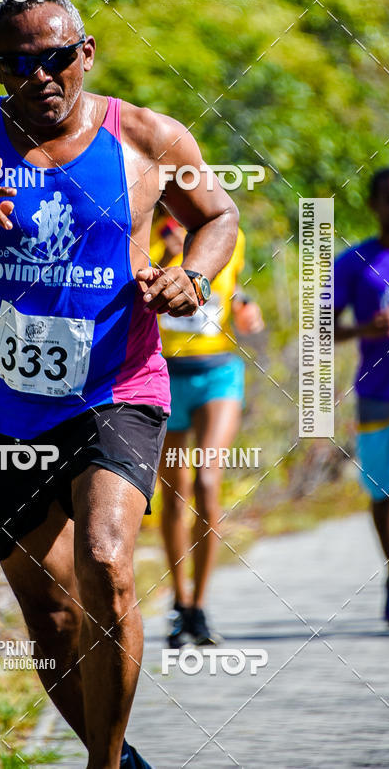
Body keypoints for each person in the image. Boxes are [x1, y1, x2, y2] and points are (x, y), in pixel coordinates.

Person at [0, 0, 239, 769]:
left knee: (106, 559)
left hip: (117, 387)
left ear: (86, 53)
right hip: (5, 411)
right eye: (23, 62)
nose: (43, 74)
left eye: (58, 56)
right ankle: (119, 754)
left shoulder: (147, 137)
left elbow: (218, 216)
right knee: (55, 616)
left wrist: (192, 278)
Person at [151, 215, 263, 647]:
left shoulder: (231, 233)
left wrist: (245, 308)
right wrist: (165, 254)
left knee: (207, 479)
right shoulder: (146, 226)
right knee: (174, 490)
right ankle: (180, 606)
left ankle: (200, 604)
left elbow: (232, 285)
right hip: (163, 371)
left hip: (219, 371)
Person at [334, 167, 389, 627]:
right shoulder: (355, 262)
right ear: (374, 205)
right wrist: (366, 328)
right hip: (379, 393)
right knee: (383, 490)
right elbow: (320, 328)